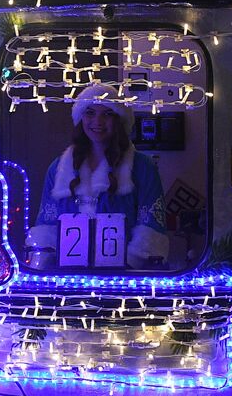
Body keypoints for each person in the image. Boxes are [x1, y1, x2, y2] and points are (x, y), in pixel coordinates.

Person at [27, 82, 169, 267]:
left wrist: (129, 269)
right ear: (80, 118)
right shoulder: (58, 168)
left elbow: (151, 227)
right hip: (68, 280)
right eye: (90, 113)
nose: (98, 122)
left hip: (124, 281)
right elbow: (47, 226)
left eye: (107, 114)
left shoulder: (142, 167)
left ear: (119, 120)